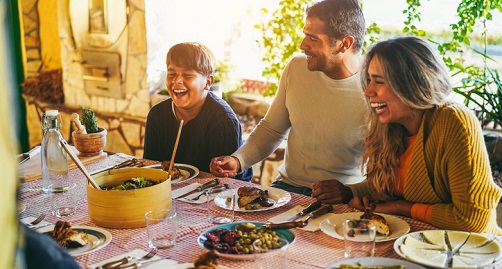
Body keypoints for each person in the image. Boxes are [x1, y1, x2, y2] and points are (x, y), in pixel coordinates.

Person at [210, 0, 368, 200]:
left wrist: (351, 192)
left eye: (313, 38)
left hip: (341, 199)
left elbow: (389, 170)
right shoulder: (296, 68)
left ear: (345, 44)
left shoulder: (375, 87)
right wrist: (238, 160)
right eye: (305, 35)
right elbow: (272, 129)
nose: (303, 45)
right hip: (287, 188)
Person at [344, 36, 502, 234]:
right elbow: (392, 184)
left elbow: (472, 220)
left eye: (378, 81)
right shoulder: (386, 126)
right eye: (369, 80)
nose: (367, 92)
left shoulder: (454, 121)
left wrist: (401, 207)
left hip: (472, 251)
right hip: (415, 243)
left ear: (411, 84)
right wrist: (350, 192)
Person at [143, 42, 252, 181]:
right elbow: (150, 167)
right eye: (172, 74)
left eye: (187, 75)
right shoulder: (157, 115)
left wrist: (219, 169)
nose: (177, 80)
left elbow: (229, 182)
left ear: (208, 82)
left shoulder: (223, 121)